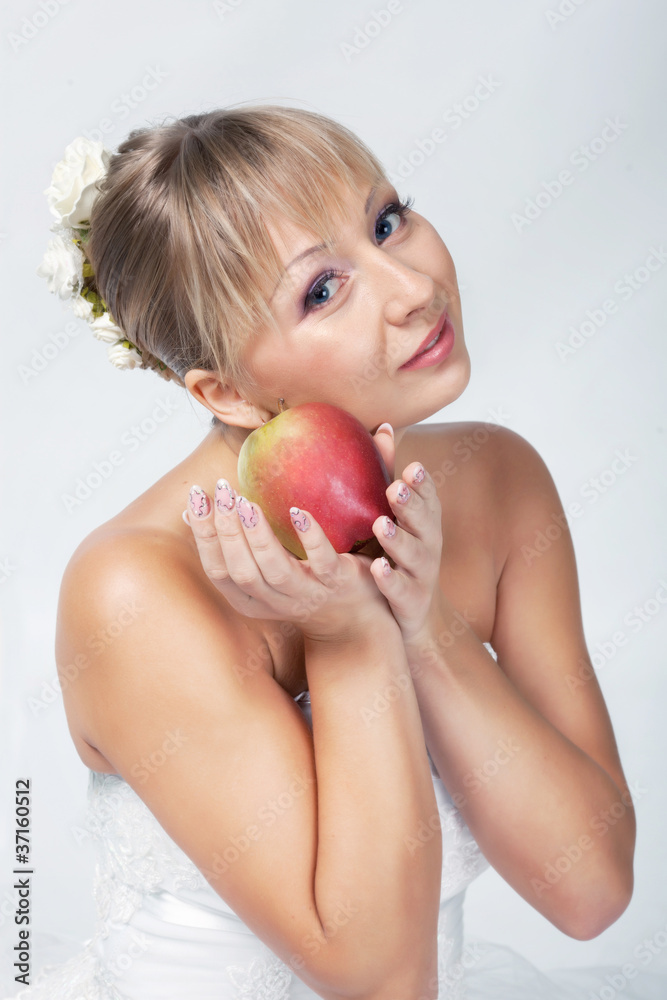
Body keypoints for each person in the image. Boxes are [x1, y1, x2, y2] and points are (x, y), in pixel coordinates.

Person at [15, 104, 666, 1000]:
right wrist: (350, 635)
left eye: (387, 221)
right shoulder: (134, 591)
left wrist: (421, 618)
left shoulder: (498, 481)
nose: (414, 287)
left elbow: (590, 890)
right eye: (321, 290)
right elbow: (383, 983)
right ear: (227, 392)